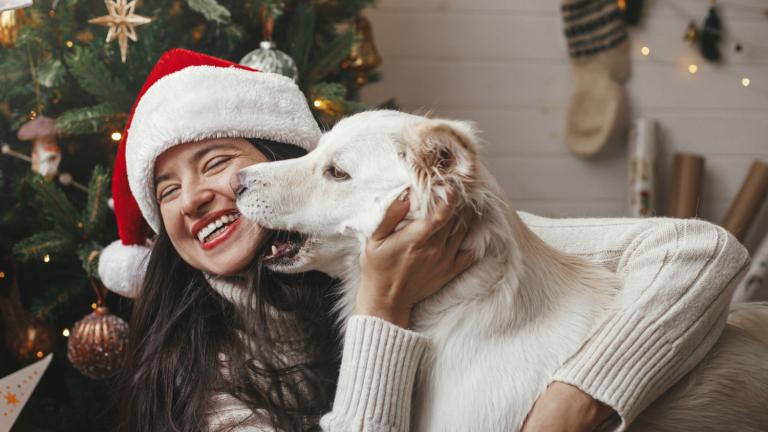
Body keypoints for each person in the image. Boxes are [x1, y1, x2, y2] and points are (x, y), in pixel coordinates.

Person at [98, 49, 750, 432]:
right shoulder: (205, 378)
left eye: (215, 163)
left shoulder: (423, 240)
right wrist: (382, 302)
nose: (196, 196)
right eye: (166, 189)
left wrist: (573, 401)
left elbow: (702, 251)